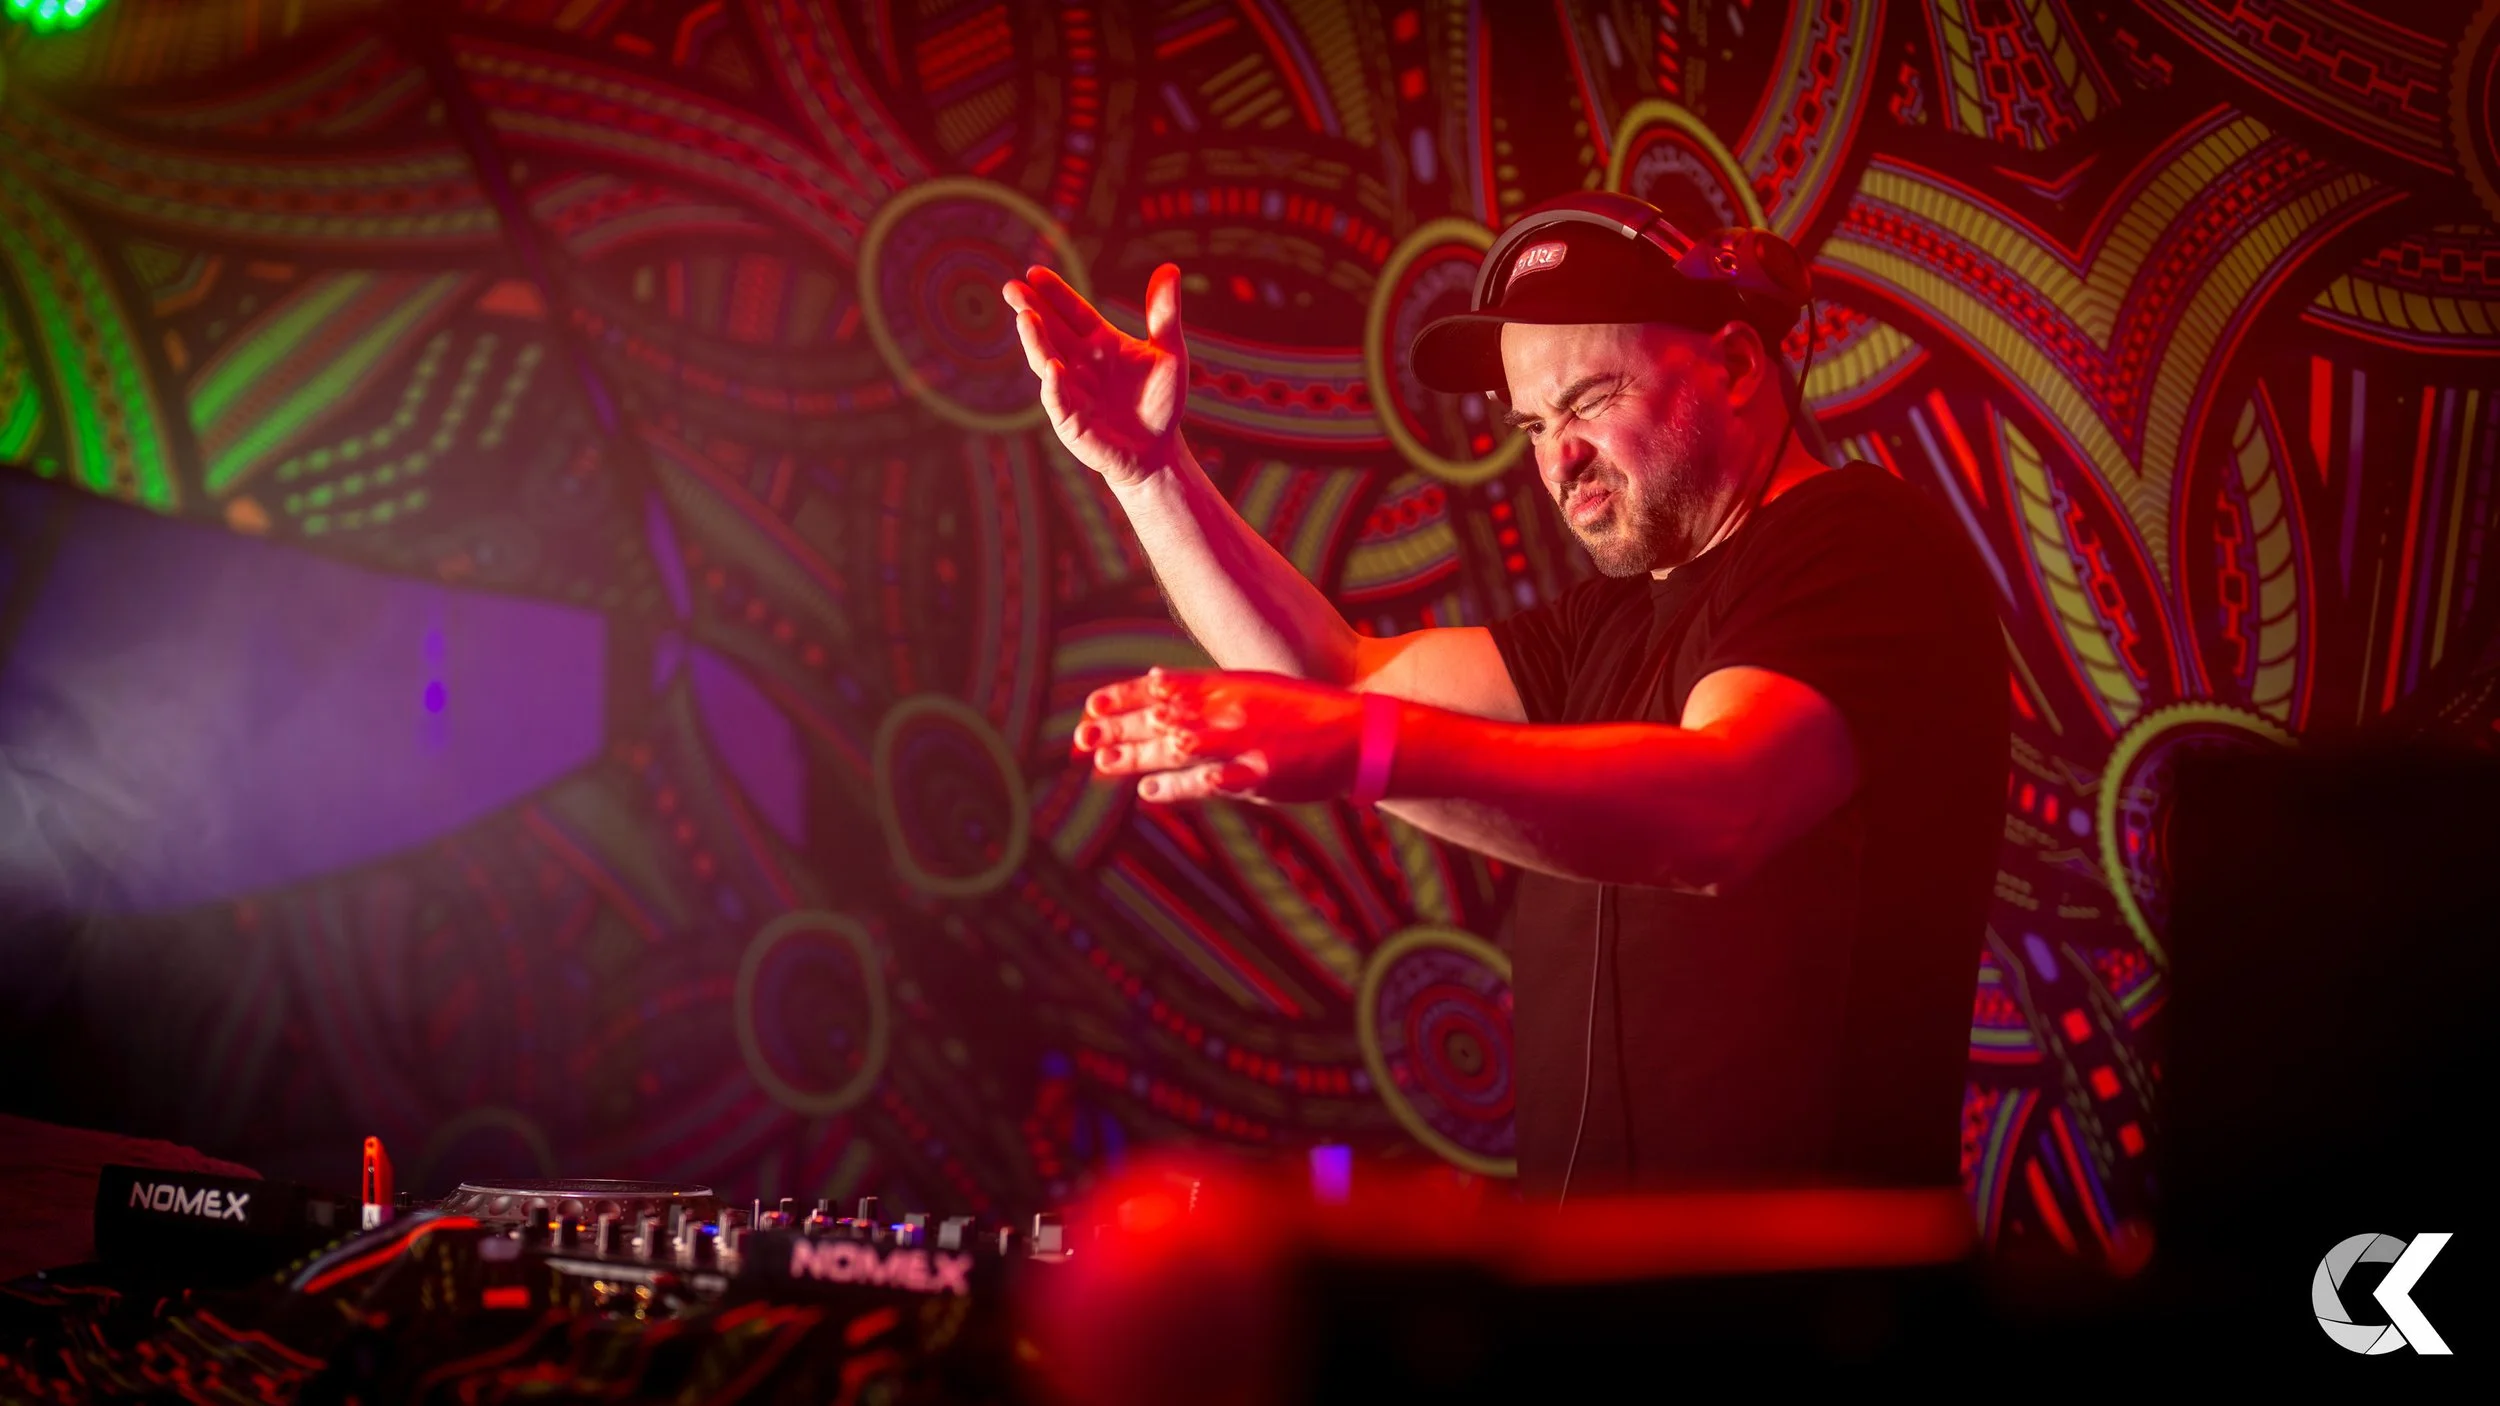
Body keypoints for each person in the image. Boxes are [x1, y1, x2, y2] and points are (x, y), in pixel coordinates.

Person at [998, 196, 2005, 1198]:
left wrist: (1362, 748)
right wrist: (1151, 474)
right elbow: (1336, 677)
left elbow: (1722, 805)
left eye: (1590, 400)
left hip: (1818, 1284)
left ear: (1737, 365)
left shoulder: (1860, 542)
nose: (1559, 458)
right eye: (1533, 423)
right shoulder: (1610, 620)